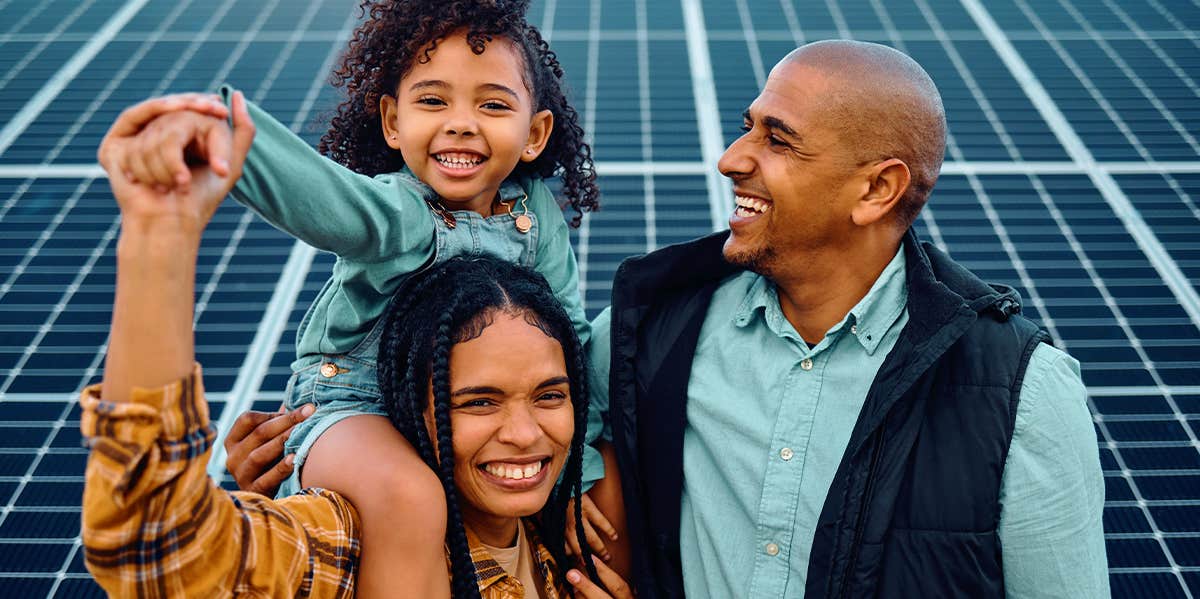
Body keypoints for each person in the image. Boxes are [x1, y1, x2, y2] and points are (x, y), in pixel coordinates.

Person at [228, 39, 1109, 597]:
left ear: (876, 188)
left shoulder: (1017, 390)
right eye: (746, 126)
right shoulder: (648, 333)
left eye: (778, 140)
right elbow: (499, 443)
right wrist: (320, 469)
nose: (732, 158)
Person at [105, 0, 621, 594]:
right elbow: (326, 199)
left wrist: (576, 475)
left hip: (442, 433)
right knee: (408, 497)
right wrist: (226, 138)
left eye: (493, 105)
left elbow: (571, 341)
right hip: (350, 409)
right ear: (392, 122)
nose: (460, 122)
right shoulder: (399, 212)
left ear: (535, 134)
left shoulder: (536, 218)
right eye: (433, 101)